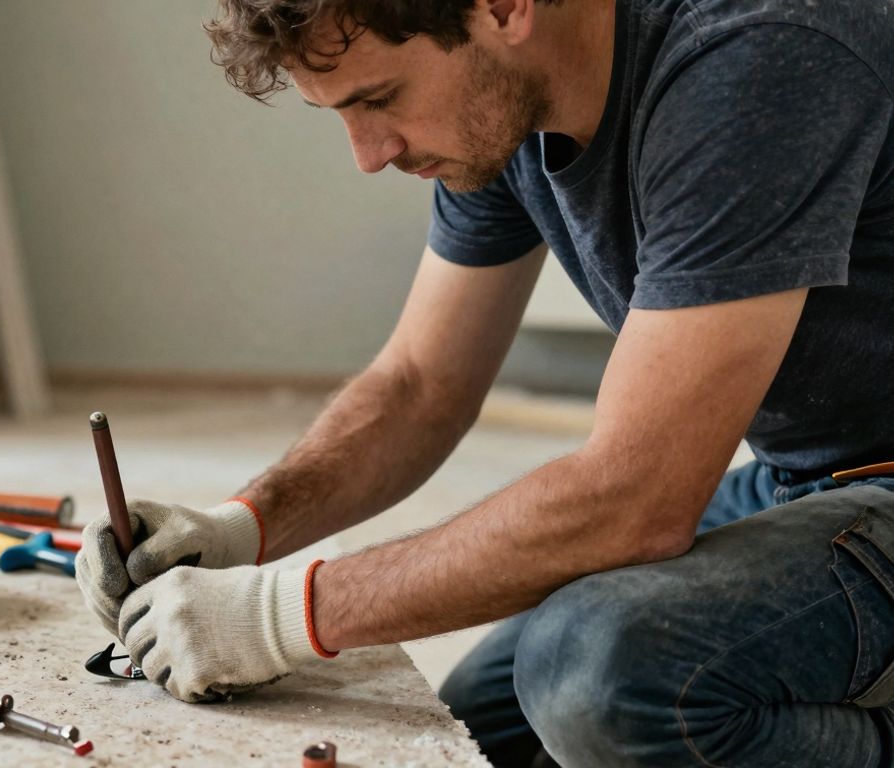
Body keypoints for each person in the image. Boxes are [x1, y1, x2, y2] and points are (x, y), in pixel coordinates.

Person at [75, 0, 894, 765]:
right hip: (805, 476)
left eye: (380, 98)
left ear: (505, 6)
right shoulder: (505, 105)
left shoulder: (758, 54)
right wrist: (241, 530)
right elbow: (420, 385)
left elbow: (636, 497)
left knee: (598, 679)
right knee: (480, 719)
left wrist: (277, 615)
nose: (370, 154)